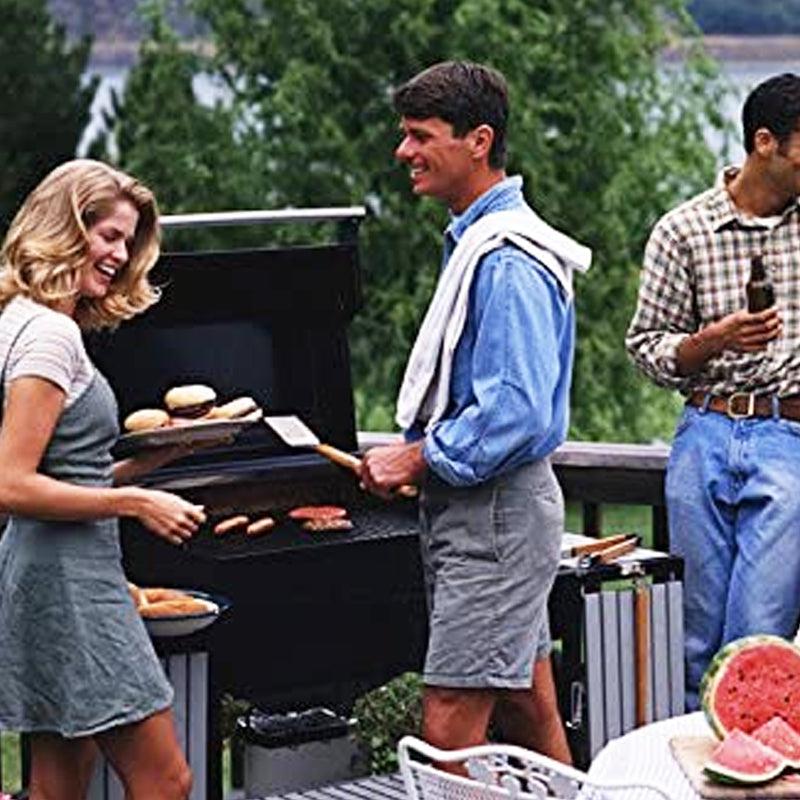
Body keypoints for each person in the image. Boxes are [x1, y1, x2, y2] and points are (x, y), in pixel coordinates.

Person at [360, 61, 591, 759]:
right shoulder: (478, 242)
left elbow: (515, 411)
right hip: (489, 512)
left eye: (420, 136)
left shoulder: (507, 261)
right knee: (527, 707)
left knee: (449, 729)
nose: (404, 153)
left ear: (479, 141)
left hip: (493, 512)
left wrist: (418, 454)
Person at [0, 159, 207, 800]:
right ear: (64, 225)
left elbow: (64, 473)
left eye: (127, 240)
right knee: (165, 781)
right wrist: (135, 500)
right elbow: (9, 483)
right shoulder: (50, 333)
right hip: (71, 582)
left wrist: (154, 457)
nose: (119, 254)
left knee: (58, 787)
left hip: (40, 570)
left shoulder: (19, 320)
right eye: (108, 235)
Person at [626, 73, 800, 710]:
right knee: (694, 642)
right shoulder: (684, 231)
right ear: (765, 143)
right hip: (703, 433)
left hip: (790, 440)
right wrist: (714, 339)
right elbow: (646, 346)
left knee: (759, 639)